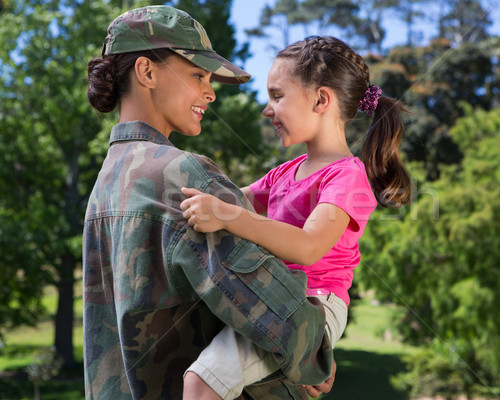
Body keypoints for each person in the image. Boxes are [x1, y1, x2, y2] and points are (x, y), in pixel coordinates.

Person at [82, 6, 335, 400]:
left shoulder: (105, 187)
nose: (211, 92)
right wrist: (316, 347)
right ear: (146, 72)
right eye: (198, 75)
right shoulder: (183, 175)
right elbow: (272, 306)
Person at [180, 35, 411, 400]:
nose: (266, 109)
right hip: (276, 295)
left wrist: (225, 215)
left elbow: (307, 247)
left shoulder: (347, 175)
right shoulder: (286, 172)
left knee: (200, 383)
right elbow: (233, 198)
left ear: (321, 100)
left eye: (277, 96)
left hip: (313, 305)